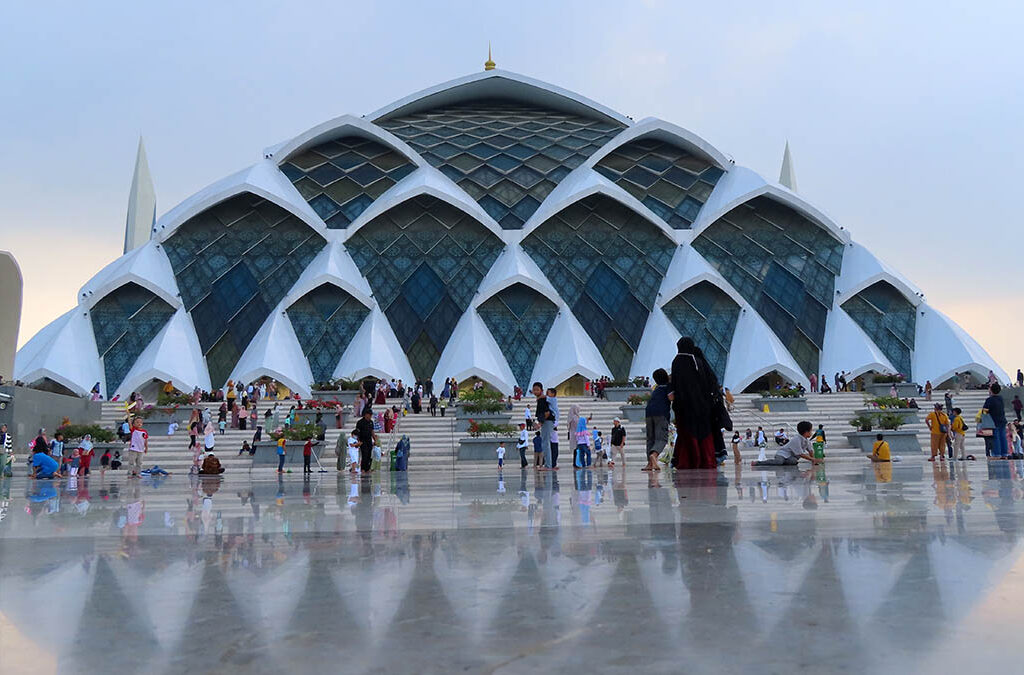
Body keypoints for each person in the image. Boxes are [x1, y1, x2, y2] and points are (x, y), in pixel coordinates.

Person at [669, 337, 725, 470]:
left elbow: (677, 384)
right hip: (701, 405)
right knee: (703, 433)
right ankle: (706, 459)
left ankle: (688, 460)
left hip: (684, 406)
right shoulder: (697, 362)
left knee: (687, 433)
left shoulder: (677, 361)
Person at [752, 421, 821, 466]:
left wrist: (814, 460)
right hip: (782, 454)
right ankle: (758, 463)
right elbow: (800, 454)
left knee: (793, 462)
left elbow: (810, 451)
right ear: (806, 432)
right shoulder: (796, 439)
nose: (811, 432)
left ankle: (784, 462)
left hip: (791, 457)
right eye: (811, 431)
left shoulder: (807, 440)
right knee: (778, 462)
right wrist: (813, 459)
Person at [644, 368, 671, 472]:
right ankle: (654, 455)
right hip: (661, 413)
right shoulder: (668, 386)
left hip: (649, 412)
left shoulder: (657, 388)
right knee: (661, 438)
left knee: (650, 438)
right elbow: (671, 397)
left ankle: (649, 464)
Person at [533, 382, 556, 470]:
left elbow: (547, 413)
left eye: (537, 390)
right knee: (545, 443)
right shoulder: (541, 399)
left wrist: (540, 423)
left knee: (545, 443)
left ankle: (548, 465)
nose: (535, 391)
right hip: (547, 422)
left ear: (541, 390)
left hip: (547, 422)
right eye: (534, 390)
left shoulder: (542, 400)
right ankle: (548, 464)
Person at [983, 383, 1008, 459]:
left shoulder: (989, 400)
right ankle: (1004, 453)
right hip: (1002, 420)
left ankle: (996, 454)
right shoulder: (1000, 398)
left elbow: (985, 412)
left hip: (993, 422)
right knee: (1003, 437)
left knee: (995, 438)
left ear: (991, 390)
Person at [356, 408, 377, 472]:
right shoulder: (360, 422)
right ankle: (363, 468)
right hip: (362, 440)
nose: (370, 417)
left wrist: (375, 440)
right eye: (369, 415)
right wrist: (358, 441)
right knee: (364, 454)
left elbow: (372, 431)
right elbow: (357, 432)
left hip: (369, 440)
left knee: (369, 454)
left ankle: (368, 468)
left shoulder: (371, 422)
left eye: (371, 415)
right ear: (366, 414)